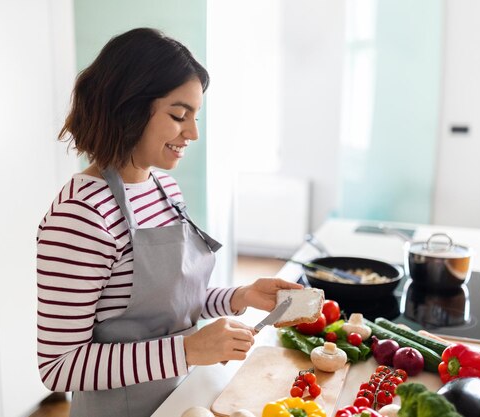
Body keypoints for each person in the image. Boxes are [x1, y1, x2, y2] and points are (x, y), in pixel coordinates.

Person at [36, 28, 302, 417]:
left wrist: (240, 296)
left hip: (182, 397)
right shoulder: (80, 216)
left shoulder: (163, 188)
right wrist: (188, 350)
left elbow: (170, 306)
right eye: (179, 116)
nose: (192, 133)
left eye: (195, 117)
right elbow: (58, 367)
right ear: (128, 108)